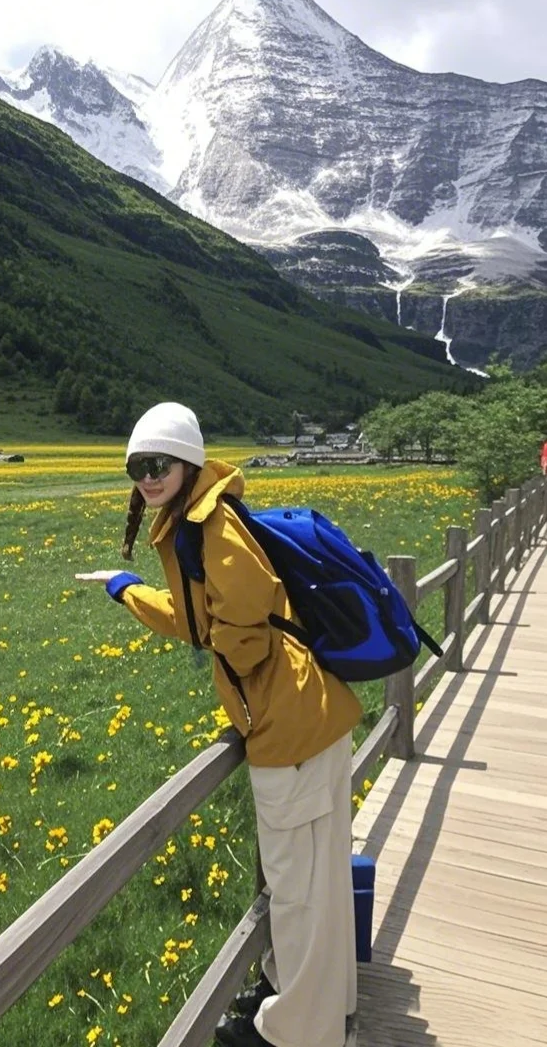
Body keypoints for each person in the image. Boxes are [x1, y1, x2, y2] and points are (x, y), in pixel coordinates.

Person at [76, 401, 362, 1047]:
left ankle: (297, 1032)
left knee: (296, 888)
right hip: (309, 713)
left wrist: (227, 648)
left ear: (187, 462)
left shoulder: (211, 525)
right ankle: (321, 1001)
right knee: (317, 878)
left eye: (157, 463)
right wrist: (126, 586)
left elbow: (241, 627)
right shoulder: (197, 518)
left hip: (286, 725)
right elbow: (198, 618)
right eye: (136, 466)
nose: (146, 477)